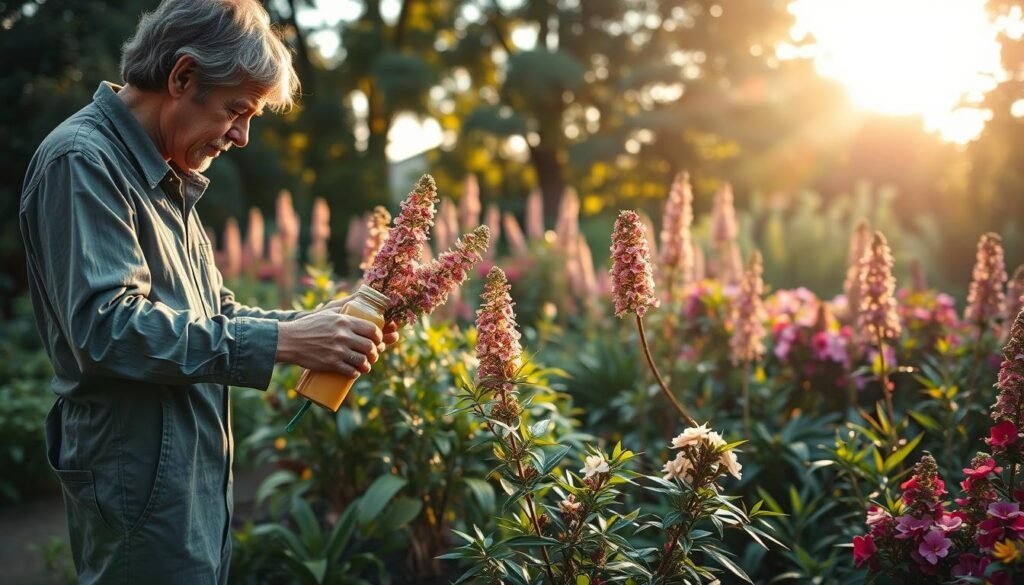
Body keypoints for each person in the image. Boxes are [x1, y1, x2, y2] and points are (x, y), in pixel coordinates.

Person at [18, 1, 398, 583]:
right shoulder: (83, 161)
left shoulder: (166, 174)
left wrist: (317, 323)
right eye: (236, 110)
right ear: (182, 77)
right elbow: (107, 327)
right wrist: (286, 342)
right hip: (136, 478)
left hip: (184, 479)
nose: (242, 136)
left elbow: (214, 313)